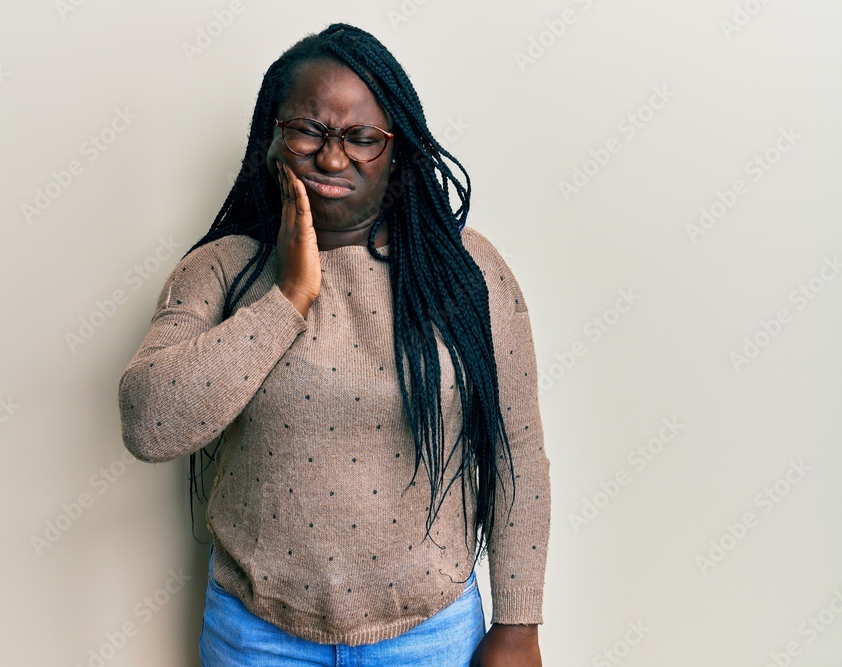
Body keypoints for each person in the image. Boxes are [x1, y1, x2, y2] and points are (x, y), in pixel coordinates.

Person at [117, 23, 550, 667]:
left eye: (361, 137)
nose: (331, 157)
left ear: (397, 151)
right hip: (255, 636)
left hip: (429, 636)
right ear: (271, 138)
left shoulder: (467, 271)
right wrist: (289, 297)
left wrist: (519, 622)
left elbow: (516, 449)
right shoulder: (222, 269)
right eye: (309, 130)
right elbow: (149, 424)